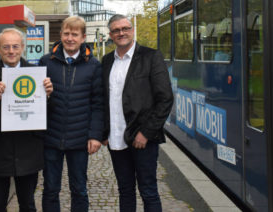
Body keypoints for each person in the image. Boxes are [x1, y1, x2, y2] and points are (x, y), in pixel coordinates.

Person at [102, 14, 174, 212]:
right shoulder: (107, 61)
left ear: (132, 30)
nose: (121, 33)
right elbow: (103, 99)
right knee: (125, 190)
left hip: (142, 138)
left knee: (148, 190)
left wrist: (146, 133)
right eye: (116, 30)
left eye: (125, 28)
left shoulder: (151, 57)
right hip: (116, 138)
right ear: (110, 35)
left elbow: (165, 98)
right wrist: (104, 133)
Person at [0, 28, 53, 212]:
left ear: (23, 48)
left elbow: (48, 114)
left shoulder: (38, 76)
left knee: (27, 204)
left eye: (15, 46)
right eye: (6, 47)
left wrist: (48, 97)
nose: (11, 51)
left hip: (29, 149)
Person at [40, 16, 104, 212]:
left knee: (79, 189)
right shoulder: (45, 62)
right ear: (60, 35)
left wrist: (95, 135)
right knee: (50, 189)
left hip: (79, 139)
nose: (69, 38)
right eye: (66, 34)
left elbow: (98, 103)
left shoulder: (94, 65)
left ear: (83, 37)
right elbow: (36, 100)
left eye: (74, 34)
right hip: (51, 137)